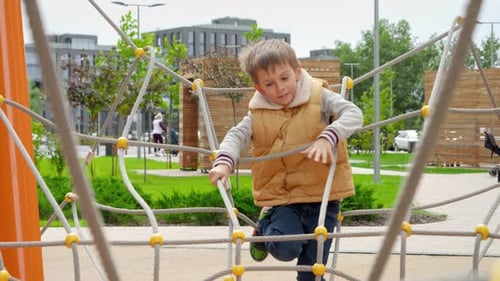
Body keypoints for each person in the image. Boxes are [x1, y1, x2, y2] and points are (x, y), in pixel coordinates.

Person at [208, 39, 363, 281]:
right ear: (259, 88)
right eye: (270, 83)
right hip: (284, 199)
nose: (280, 88)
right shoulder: (257, 111)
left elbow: (354, 113)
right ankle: (264, 227)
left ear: (297, 72)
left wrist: (328, 137)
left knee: (313, 270)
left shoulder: (320, 96)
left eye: (284, 78)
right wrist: (224, 161)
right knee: (286, 248)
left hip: (324, 198)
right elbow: (236, 135)